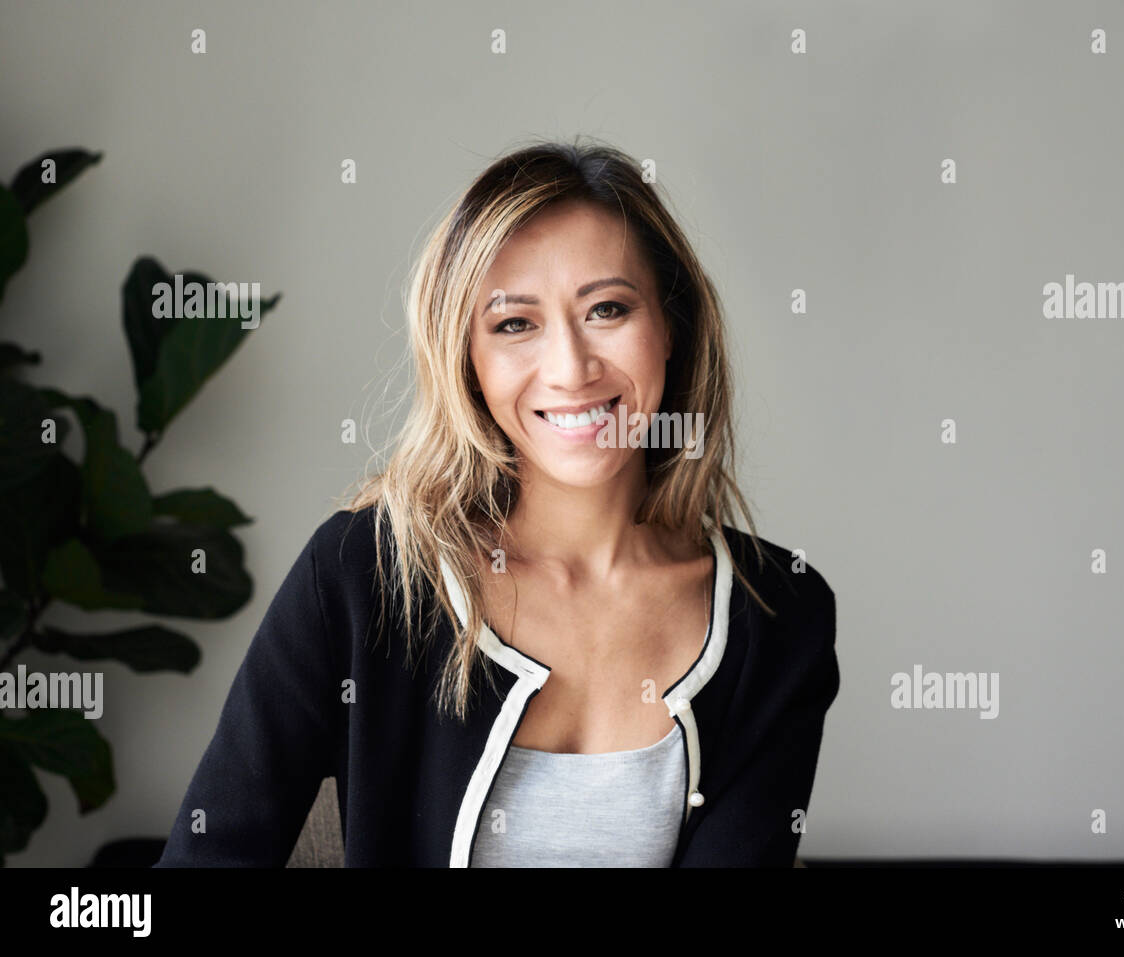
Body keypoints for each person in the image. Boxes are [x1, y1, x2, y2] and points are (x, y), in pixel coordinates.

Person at [155, 137, 839, 867]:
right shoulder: (362, 576)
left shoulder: (778, 616)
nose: (570, 368)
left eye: (607, 308)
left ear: (669, 325)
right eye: (515, 324)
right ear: (467, 361)